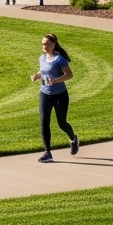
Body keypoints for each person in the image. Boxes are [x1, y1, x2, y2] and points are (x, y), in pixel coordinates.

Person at [32, 33, 80, 163]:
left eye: (46, 44)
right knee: (44, 121)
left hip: (60, 95)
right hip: (45, 94)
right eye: (43, 43)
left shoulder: (59, 59)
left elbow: (69, 75)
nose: (44, 46)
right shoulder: (42, 58)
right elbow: (44, 70)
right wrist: (37, 75)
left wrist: (56, 80)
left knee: (61, 123)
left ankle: (73, 138)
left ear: (53, 45)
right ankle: (47, 152)